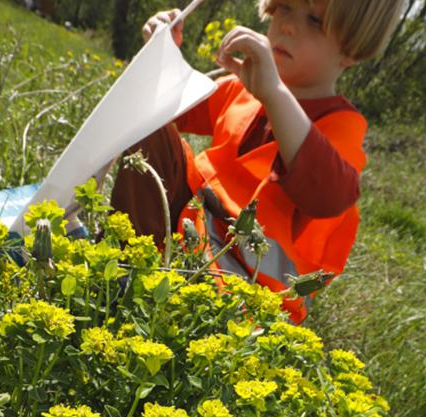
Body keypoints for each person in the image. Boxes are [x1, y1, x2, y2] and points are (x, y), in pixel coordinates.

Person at [106, 0, 405, 323]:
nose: (288, 26)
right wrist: (161, 54)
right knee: (151, 131)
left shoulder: (340, 126)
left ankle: (142, 293)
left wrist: (275, 95)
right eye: (286, 8)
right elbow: (168, 109)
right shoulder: (243, 87)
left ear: (352, 50)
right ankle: (123, 270)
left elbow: (330, 195)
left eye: (315, 21)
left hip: (247, 294)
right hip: (185, 231)